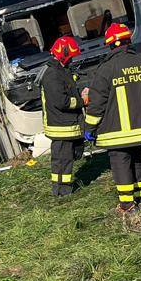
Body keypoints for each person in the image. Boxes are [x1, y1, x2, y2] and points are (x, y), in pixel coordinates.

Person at [83, 22, 141, 213]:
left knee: (121, 163)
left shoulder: (106, 69)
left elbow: (96, 104)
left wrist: (89, 128)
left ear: (110, 44)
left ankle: (127, 204)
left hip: (116, 132)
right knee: (137, 158)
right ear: (129, 40)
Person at [41, 36, 85, 196]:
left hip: (65, 124)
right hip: (61, 126)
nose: (72, 60)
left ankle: (60, 189)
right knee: (63, 160)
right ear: (63, 54)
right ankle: (63, 191)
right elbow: (62, 102)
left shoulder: (59, 71)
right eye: (71, 56)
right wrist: (82, 101)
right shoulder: (52, 75)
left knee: (63, 159)